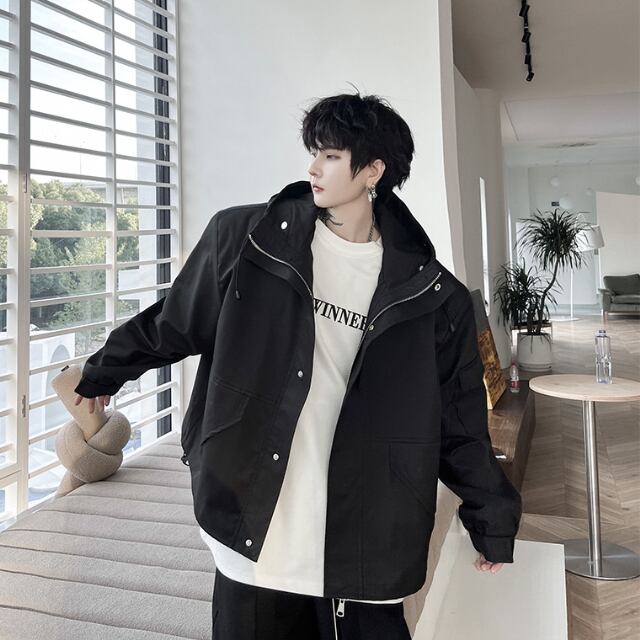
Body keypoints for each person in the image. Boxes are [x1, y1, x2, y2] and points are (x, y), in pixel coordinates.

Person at [75, 89, 522, 639]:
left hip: (367, 526)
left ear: (373, 170)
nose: (313, 167)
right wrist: (106, 369)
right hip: (255, 518)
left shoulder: (433, 295)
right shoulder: (249, 242)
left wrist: (491, 516)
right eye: (314, 152)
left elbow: (459, 421)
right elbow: (176, 319)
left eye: (331, 155)